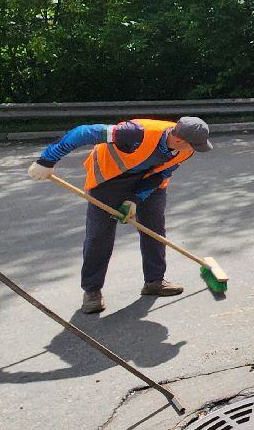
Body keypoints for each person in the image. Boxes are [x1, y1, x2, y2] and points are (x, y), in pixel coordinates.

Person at [27, 116, 213, 314]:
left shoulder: (185, 151)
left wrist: (135, 199)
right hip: (108, 178)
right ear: (178, 140)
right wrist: (47, 160)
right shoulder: (135, 132)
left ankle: (154, 281)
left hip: (148, 180)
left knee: (154, 228)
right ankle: (92, 291)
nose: (195, 150)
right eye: (194, 145)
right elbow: (82, 132)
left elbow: (161, 173)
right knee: (100, 235)